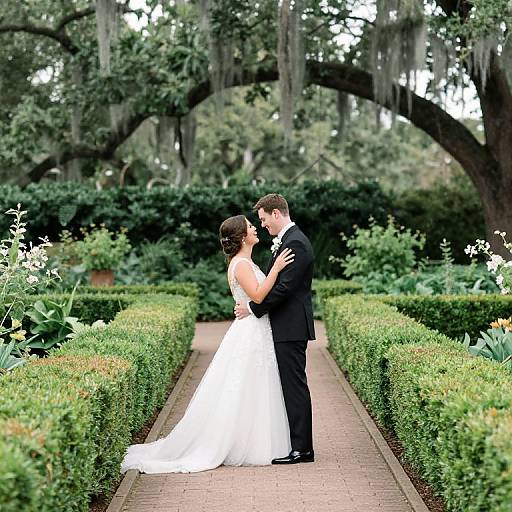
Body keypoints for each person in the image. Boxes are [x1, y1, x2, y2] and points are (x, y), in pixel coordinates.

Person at [120, 214, 294, 474]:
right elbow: (257, 296)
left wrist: (248, 304)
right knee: (247, 385)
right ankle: (246, 444)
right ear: (242, 237)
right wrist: (277, 270)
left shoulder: (244, 262)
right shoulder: (242, 264)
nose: (255, 228)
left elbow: (252, 300)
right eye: (250, 226)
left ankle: (256, 440)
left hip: (255, 328)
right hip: (251, 332)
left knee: (253, 386)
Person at [235, 193, 315, 464]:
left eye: (264, 219)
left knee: (294, 386)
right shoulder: (288, 241)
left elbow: (284, 288)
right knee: (290, 386)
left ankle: (303, 449)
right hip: (285, 325)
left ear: (276, 214)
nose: (263, 224)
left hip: (291, 326)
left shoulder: (296, 244)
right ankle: (297, 444)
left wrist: (253, 309)